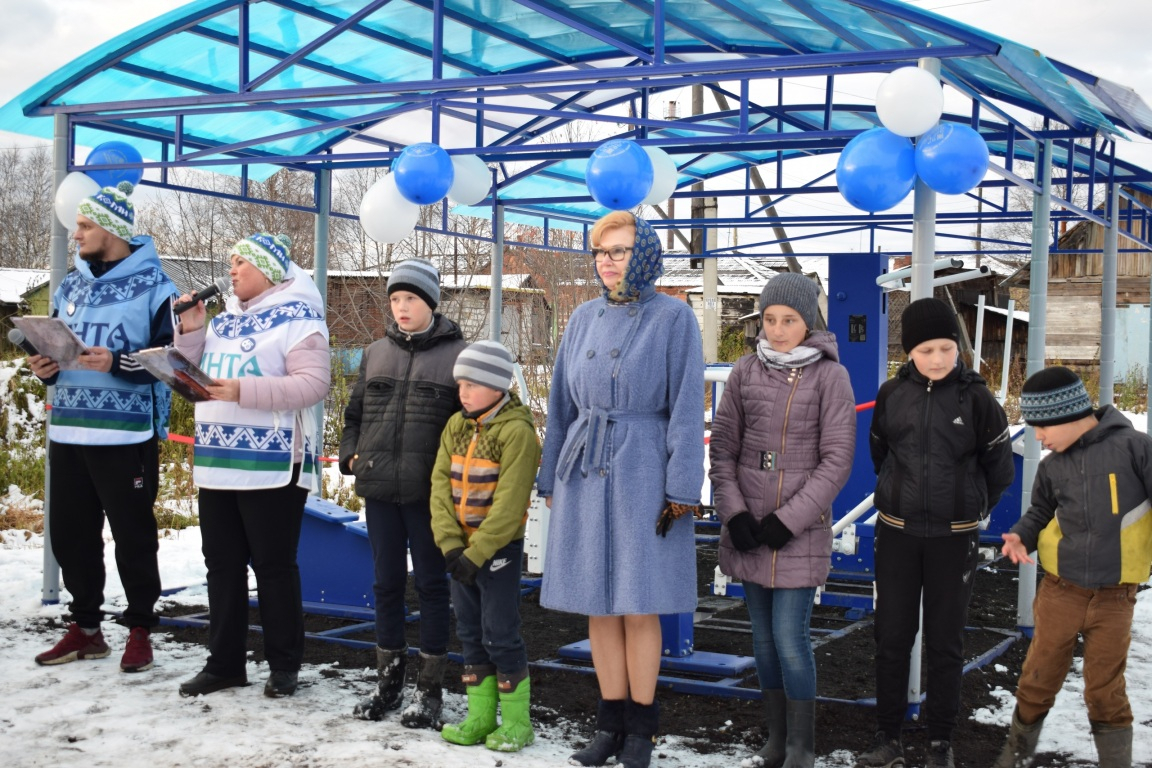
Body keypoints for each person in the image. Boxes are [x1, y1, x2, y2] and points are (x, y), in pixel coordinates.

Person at [538, 211, 704, 768]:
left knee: (639, 604)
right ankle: (608, 724)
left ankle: (642, 730)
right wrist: (550, 480)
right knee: (597, 605)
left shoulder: (673, 318)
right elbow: (560, 405)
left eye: (620, 250)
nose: (607, 261)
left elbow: (685, 407)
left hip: (642, 470)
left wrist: (681, 487)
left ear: (647, 254)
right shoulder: (581, 318)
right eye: (600, 252)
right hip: (585, 468)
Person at [857, 297, 1014, 768]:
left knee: (946, 641)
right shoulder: (891, 394)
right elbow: (880, 453)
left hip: (953, 538)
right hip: (899, 535)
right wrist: (899, 495)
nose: (939, 359)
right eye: (927, 350)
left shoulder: (978, 399)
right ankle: (888, 737)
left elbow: (999, 469)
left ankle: (940, 741)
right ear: (910, 352)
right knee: (891, 636)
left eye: (947, 348)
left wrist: (971, 505)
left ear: (958, 348)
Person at [173, 233, 330, 699]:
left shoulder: (300, 319)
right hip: (218, 461)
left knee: (273, 566)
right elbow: (193, 375)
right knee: (221, 566)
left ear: (266, 269)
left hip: (273, 463)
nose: (232, 269)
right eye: (231, 262)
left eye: (241, 261)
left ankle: (284, 665)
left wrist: (242, 391)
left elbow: (312, 384)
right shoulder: (224, 321)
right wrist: (193, 330)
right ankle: (224, 663)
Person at [709, 272, 857, 768]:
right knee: (761, 639)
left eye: (788, 320)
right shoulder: (745, 371)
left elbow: (836, 460)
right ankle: (776, 738)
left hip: (798, 530)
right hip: (749, 527)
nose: (777, 329)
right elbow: (724, 450)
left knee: (791, 638)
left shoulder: (830, 376)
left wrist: (788, 521)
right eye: (769, 319)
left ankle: (801, 745)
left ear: (808, 321)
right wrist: (734, 515)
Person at [30, 182, 176, 674]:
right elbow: (55, 340)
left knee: (133, 534)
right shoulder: (70, 285)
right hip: (68, 428)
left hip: (124, 435)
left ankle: (139, 628)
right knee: (70, 535)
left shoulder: (158, 287)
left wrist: (115, 361)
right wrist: (43, 365)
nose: (76, 234)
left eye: (86, 226)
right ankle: (86, 628)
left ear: (112, 230)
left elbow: (167, 363)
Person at [994, 367, 1150, 768]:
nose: (1039, 438)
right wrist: (1021, 535)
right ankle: (1014, 757)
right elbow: (1041, 511)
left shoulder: (1136, 449)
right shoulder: (1052, 467)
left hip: (1116, 599)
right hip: (1060, 593)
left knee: (1104, 690)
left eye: (1041, 428)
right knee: (1037, 680)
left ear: (1065, 415)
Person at [339, 258, 467, 728]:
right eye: (395, 299)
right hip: (379, 491)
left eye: (411, 298)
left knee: (433, 587)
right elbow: (353, 414)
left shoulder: (459, 356)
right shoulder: (375, 353)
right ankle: (387, 685)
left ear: (430, 301)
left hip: (430, 496)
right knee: (386, 585)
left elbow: (470, 426)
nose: (401, 307)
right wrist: (351, 452)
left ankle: (429, 691)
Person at [429, 340, 542, 753]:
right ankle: (480, 716)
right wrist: (450, 546)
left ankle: (516, 722)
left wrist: (477, 554)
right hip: (459, 553)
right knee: (470, 632)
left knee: (500, 633)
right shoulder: (455, 426)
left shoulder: (517, 432)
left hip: (496, 553)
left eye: (473, 384)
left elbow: (510, 504)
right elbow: (439, 486)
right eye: (460, 383)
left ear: (498, 386)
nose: (463, 391)